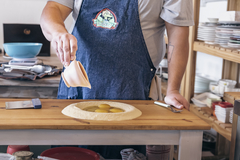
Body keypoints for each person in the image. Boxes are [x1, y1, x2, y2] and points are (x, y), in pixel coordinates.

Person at [40, 0, 193, 159]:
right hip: (77, 93)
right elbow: (53, 8)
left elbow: (177, 32)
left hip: (133, 93)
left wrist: (173, 89)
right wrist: (58, 33)